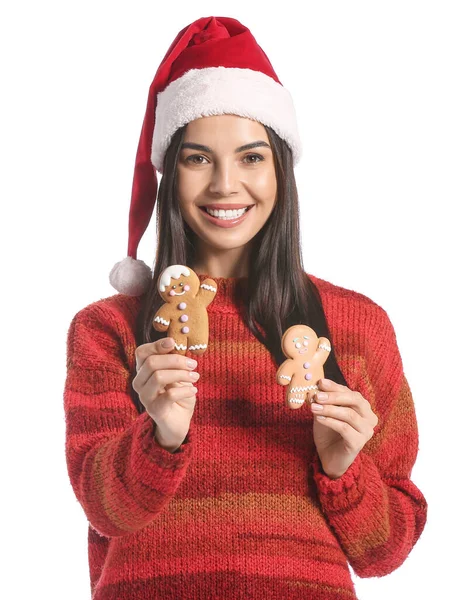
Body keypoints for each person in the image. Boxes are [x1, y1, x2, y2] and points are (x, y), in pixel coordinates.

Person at [63, 16, 427, 600]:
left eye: (252, 158)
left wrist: (342, 470)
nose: (225, 185)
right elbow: (107, 513)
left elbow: (387, 552)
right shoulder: (108, 329)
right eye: (198, 158)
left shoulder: (358, 328)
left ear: (281, 169)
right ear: (169, 171)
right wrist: (164, 438)